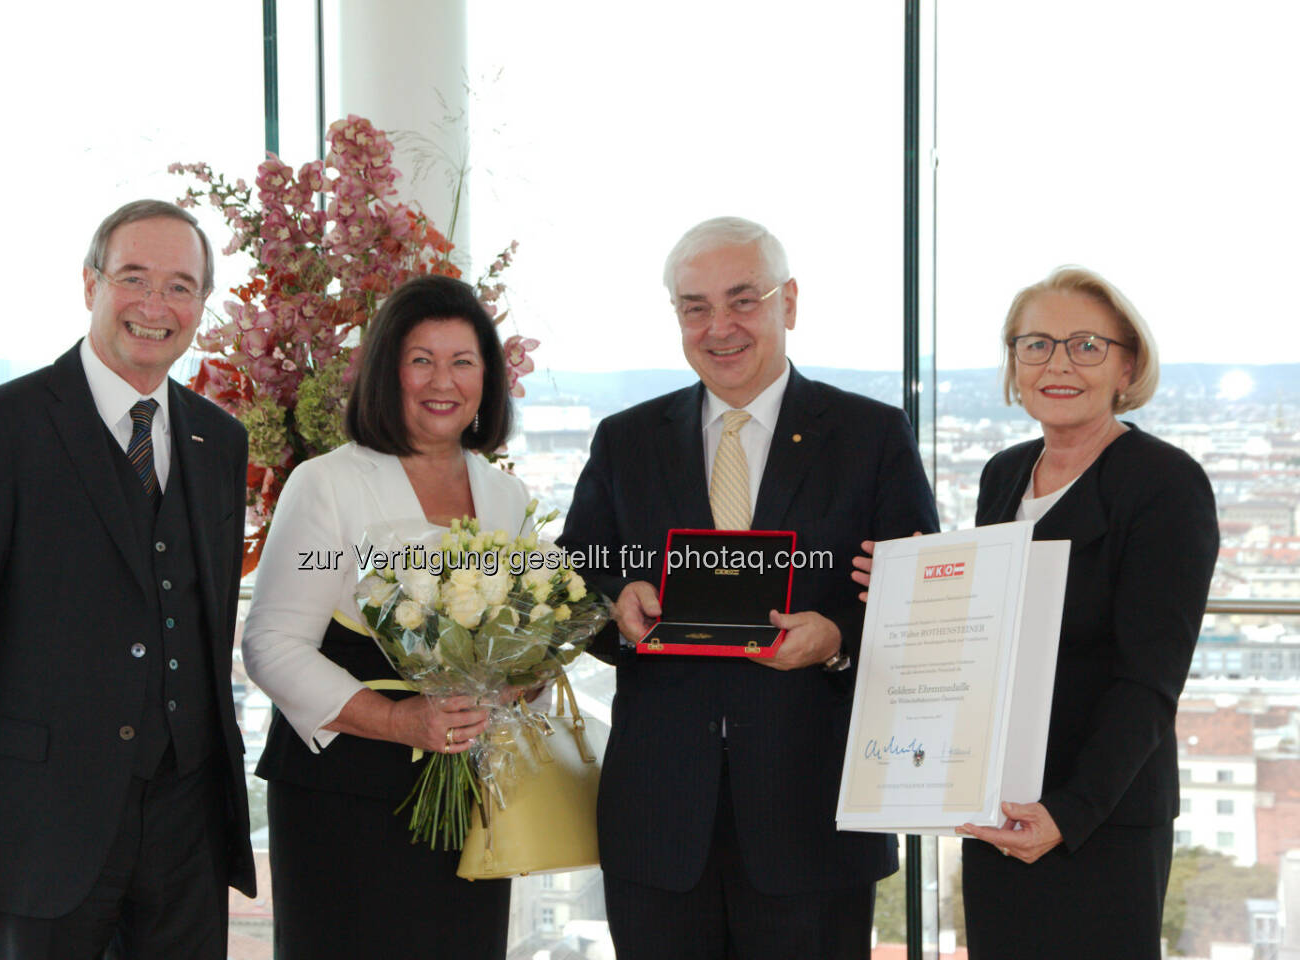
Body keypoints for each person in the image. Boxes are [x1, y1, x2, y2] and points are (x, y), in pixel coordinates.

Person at [557, 216, 938, 959]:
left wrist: (834, 640)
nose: (719, 326)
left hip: (813, 817)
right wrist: (614, 608)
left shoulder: (871, 436)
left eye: (742, 300)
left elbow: (913, 599)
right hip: (659, 820)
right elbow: (579, 576)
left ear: (788, 303)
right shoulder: (626, 440)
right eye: (694, 307)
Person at [0, 199, 257, 958]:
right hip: (34, 832)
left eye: (181, 287)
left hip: (186, 830)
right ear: (89, 283)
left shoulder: (217, 439)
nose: (156, 306)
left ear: (201, 306)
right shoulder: (1, 427)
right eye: (134, 278)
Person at [857, 267, 1218, 958]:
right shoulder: (1004, 472)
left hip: (1098, 819)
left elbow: (1151, 680)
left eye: (1086, 345)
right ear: (1013, 362)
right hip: (998, 801)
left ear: (1128, 363)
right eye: (1036, 345)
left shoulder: (1164, 483)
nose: (1058, 364)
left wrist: (1069, 811)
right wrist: (916, 597)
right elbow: (996, 637)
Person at [242, 274, 528, 959]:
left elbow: (513, 639)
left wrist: (520, 680)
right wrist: (401, 720)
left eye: (463, 361)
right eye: (420, 359)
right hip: (344, 797)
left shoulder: (506, 495)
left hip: (465, 796)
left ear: (487, 379)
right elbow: (272, 645)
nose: (443, 380)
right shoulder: (328, 482)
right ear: (386, 373)